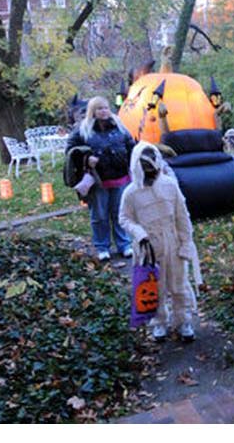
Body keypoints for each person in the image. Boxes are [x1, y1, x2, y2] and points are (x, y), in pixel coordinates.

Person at [119, 142, 202, 341]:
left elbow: (183, 216)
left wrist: (186, 242)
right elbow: (124, 218)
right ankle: (159, 322)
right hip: (148, 249)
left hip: (172, 243)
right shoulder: (131, 193)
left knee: (179, 284)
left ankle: (183, 321)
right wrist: (139, 233)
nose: (151, 176)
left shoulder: (170, 185)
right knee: (155, 287)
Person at [65, 96, 135, 261]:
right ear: (92, 111)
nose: (104, 111)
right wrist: (86, 158)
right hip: (98, 181)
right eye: (99, 108)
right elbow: (70, 150)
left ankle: (124, 244)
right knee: (100, 215)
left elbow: (131, 145)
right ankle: (102, 247)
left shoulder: (119, 126)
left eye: (105, 107)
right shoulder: (82, 130)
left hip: (120, 177)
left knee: (120, 213)